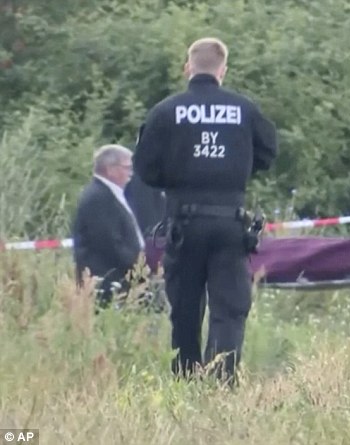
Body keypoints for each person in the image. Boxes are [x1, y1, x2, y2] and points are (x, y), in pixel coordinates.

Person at [133, 37, 278, 383]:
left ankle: (185, 379)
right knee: (229, 309)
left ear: (188, 68)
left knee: (184, 308)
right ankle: (222, 383)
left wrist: (178, 177)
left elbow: (144, 168)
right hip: (230, 222)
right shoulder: (244, 109)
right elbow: (268, 154)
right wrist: (233, 169)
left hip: (184, 223)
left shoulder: (166, 111)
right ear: (222, 70)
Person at [72, 144, 145, 308]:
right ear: (110, 169)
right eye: (127, 168)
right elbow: (110, 243)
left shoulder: (109, 194)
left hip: (119, 280)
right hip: (107, 283)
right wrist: (139, 268)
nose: (131, 174)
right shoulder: (98, 198)